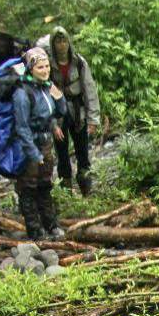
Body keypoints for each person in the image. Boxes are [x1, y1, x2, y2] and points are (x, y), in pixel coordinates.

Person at [11, 47, 66, 240]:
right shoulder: (22, 93)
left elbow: (59, 112)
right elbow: (22, 127)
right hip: (29, 146)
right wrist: (33, 153)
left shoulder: (45, 87)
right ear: (31, 69)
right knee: (28, 187)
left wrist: (58, 95)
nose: (45, 70)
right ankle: (34, 230)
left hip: (46, 143)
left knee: (45, 184)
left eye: (47, 66)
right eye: (40, 67)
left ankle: (51, 224)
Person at [45, 26, 100, 195]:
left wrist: (93, 119)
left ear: (69, 42)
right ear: (53, 45)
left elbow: (89, 90)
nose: (61, 45)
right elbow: (44, 95)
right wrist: (52, 123)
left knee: (82, 151)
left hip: (78, 112)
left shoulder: (79, 62)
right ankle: (66, 191)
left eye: (64, 41)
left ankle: (86, 187)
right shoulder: (47, 64)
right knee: (62, 154)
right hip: (58, 113)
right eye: (58, 41)